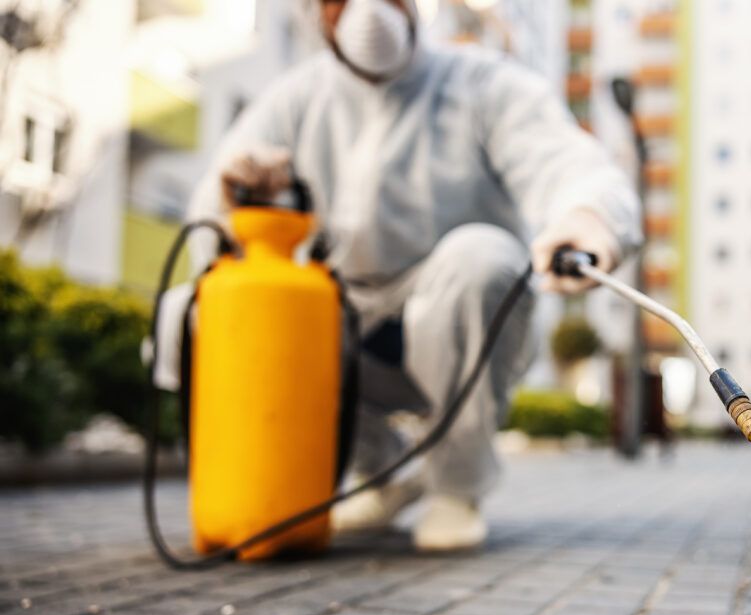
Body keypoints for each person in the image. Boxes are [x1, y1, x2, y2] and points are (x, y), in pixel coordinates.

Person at [157, 0, 641, 552]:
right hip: (345, 327)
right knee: (186, 310)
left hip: (455, 320)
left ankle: (456, 489)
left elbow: (567, 161)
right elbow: (205, 230)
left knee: (480, 255)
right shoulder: (295, 99)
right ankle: (381, 473)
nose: (368, 10)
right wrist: (238, 201)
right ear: (316, 11)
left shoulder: (482, 82)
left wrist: (587, 217)